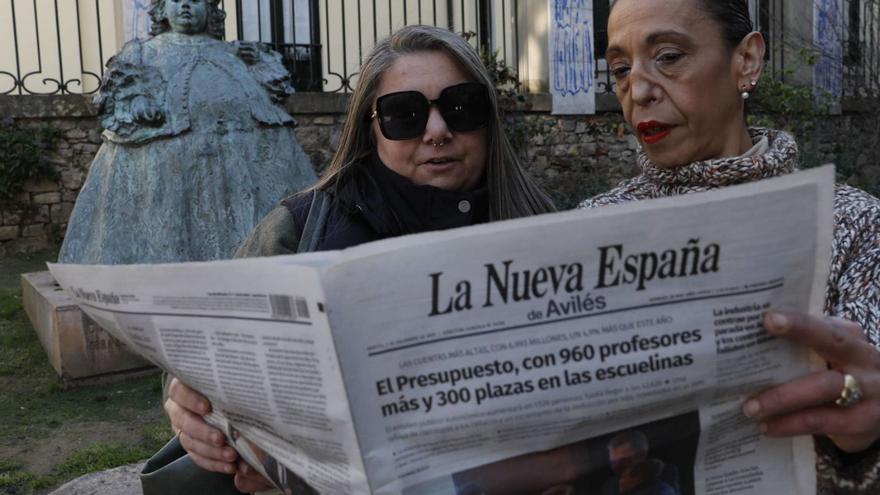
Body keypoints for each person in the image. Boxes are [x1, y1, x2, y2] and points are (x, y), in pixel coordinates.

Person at [163, 24, 555, 493]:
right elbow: (195, 351)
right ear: (372, 129)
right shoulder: (300, 229)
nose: (437, 131)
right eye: (405, 114)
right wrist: (186, 406)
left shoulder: (548, 230)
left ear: (488, 118)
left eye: (461, 106)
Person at [579, 1, 880, 493]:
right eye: (620, 69)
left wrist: (865, 439)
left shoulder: (853, 224)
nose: (638, 89)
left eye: (669, 56)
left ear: (747, 60)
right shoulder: (589, 230)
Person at [59, 0, 315, 264]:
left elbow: (276, 88)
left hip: (246, 153)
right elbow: (121, 88)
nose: (185, 6)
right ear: (161, 10)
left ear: (210, 10)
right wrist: (138, 101)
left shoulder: (236, 52)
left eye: (195, 1)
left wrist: (258, 63)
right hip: (170, 159)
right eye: (176, 0)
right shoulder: (143, 53)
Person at [600, 431, 678, 495]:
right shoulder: (610, 487)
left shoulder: (662, 489)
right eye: (613, 463)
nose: (617, 468)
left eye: (623, 461)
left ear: (641, 456)